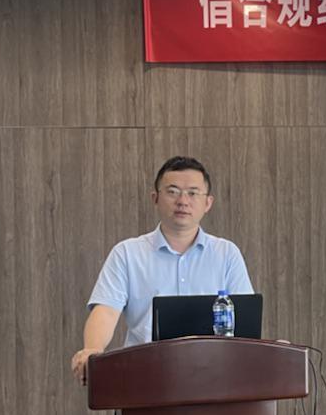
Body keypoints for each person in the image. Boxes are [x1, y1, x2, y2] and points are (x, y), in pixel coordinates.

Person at [71, 156, 252, 384]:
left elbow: (245, 319)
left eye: (193, 193)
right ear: (155, 198)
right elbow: (106, 310)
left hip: (214, 377)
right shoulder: (127, 253)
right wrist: (92, 349)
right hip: (146, 378)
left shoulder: (226, 254)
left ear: (208, 203)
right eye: (173, 192)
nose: (183, 201)